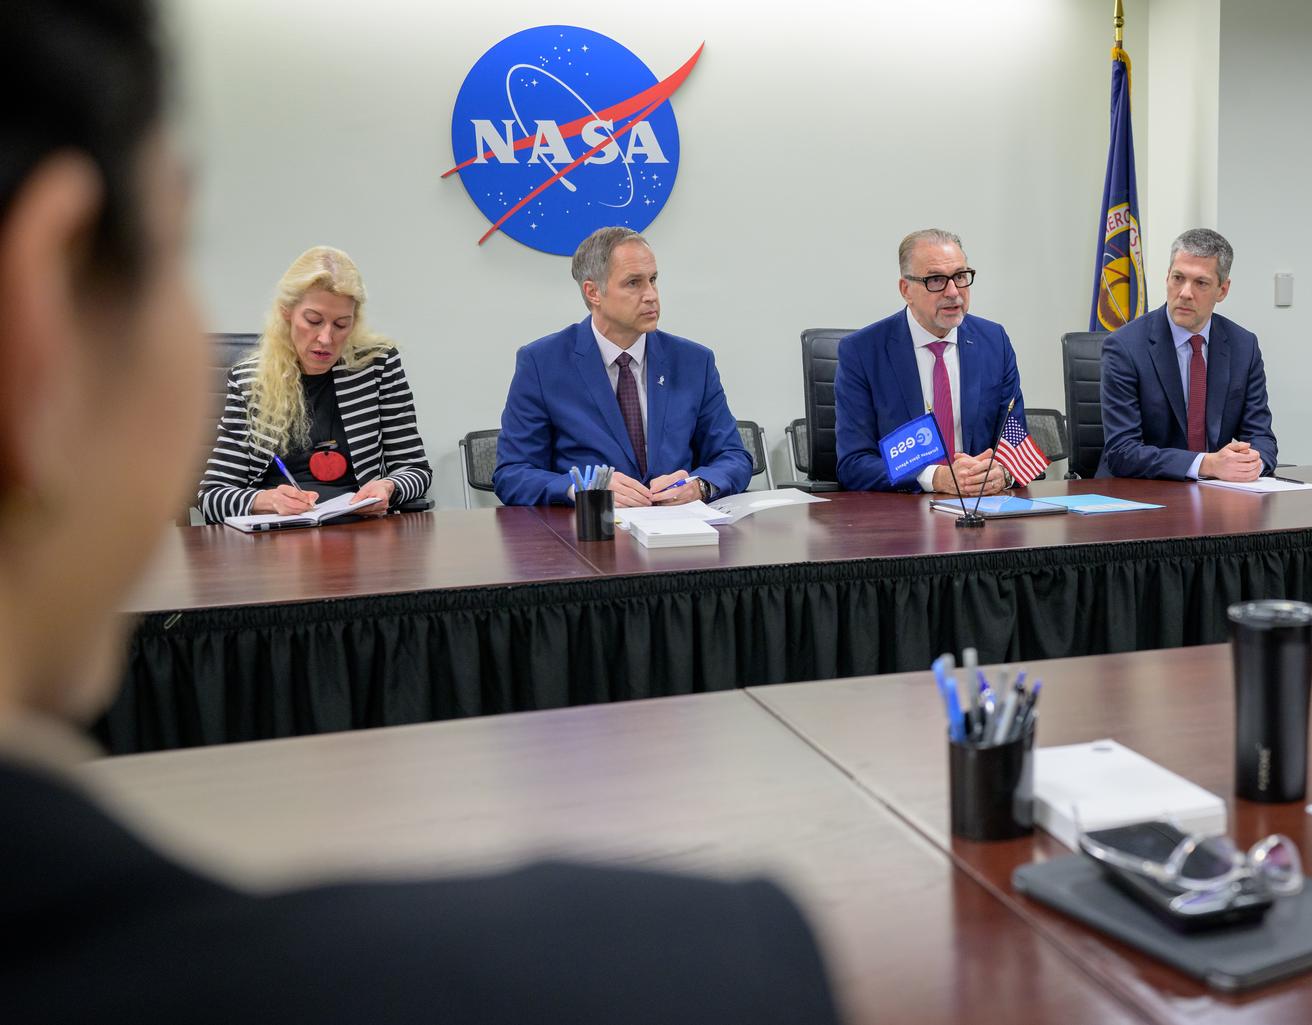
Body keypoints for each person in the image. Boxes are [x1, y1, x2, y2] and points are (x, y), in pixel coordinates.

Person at [0, 2, 839, 1022]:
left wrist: (693, 481)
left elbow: (447, 471)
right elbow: (497, 472)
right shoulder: (715, 960)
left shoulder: (645, 364)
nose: (326, 335)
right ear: (41, 300)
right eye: (173, 253)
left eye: (339, 322)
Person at [493, 227, 751, 507]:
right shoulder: (543, 363)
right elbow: (512, 474)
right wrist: (583, 489)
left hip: (679, 534)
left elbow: (733, 457)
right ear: (593, 292)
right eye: (633, 283)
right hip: (588, 537)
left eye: (653, 280)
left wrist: (699, 486)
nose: (651, 294)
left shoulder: (693, 362)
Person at [195, 247, 432, 523]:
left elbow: (416, 471)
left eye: (341, 324)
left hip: (360, 532)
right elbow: (212, 497)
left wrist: (389, 487)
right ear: (286, 314)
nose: (326, 338)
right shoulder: (250, 381)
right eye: (313, 320)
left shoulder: (377, 366)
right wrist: (265, 500)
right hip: (277, 542)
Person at [835, 228, 1030, 494]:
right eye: (936, 280)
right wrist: (934, 477)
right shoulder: (863, 352)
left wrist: (1003, 473)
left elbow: (1015, 440)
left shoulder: (993, 341)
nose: (953, 292)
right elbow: (854, 463)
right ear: (906, 289)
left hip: (982, 507)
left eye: (960, 277)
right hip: (904, 515)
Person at [1098, 228, 1277, 480]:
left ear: (1222, 290)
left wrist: (1251, 464)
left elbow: (1261, 436)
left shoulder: (1243, 346)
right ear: (1167, 277)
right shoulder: (1124, 346)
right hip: (1139, 493)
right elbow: (1122, 452)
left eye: (1201, 283)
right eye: (1178, 278)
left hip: (1217, 494)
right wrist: (1206, 464)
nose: (1184, 293)